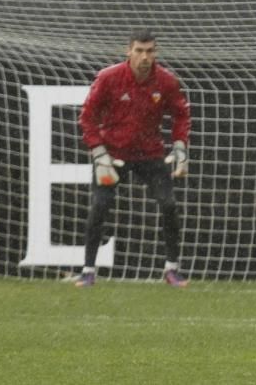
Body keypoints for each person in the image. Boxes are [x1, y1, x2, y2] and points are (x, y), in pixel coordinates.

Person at [75, 30, 192, 288]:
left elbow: (181, 115)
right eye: (139, 50)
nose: (145, 57)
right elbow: (87, 117)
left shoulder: (167, 82)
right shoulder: (109, 78)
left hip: (150, 154)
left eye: (150, 51)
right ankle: (88, 271)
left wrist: (180, 146)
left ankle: (172, 269)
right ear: (128, 51)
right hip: (112, 155)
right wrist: (99, 153)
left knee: (169, 205)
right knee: (100, 206)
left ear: (156, 53)